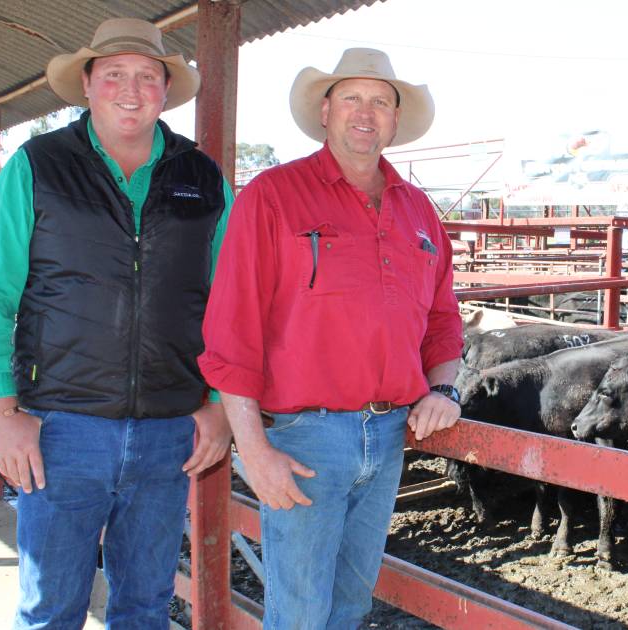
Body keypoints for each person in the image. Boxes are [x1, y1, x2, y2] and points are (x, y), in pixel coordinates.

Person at [0, 17, 233, 628]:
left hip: (168, 432)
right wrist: (1, 414)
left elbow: (231, 302)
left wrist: (216, 401)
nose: (130, 90)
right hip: (58, 430)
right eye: (113, 76)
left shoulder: (202, 178)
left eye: (146, 77)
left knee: (146, 605)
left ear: (165, 89)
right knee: (51, 607)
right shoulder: (38, 166)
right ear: (86, 85)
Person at [198, 48, 464, 629]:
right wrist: (254, 450)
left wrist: (445, 390)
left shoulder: (419, 212)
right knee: (299, 611)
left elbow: (443, 317)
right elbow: (231, 330)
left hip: (392, 430)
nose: (365, 113)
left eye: (380, 102)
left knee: (350, 604)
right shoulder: (273, 195)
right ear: (325, 110)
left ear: (395, 120)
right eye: (351, 98)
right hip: (307, 438)